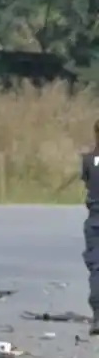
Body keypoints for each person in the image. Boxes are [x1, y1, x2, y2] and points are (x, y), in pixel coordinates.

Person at [78, 119, 99, 335]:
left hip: (96, 220)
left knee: (97, 269)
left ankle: (98, 317)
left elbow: (88, 181)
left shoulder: (88, 160)